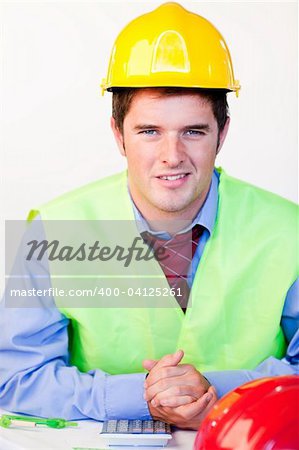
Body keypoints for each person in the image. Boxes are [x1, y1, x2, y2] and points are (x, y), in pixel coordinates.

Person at [0, 2, 298, 431]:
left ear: (223, 133)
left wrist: (213, 389)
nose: (172, 157)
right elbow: (15, 378)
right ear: (118, 134)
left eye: (193, 131)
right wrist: (143, 395)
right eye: (149, 131)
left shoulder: (290, 230)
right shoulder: (51, 229)